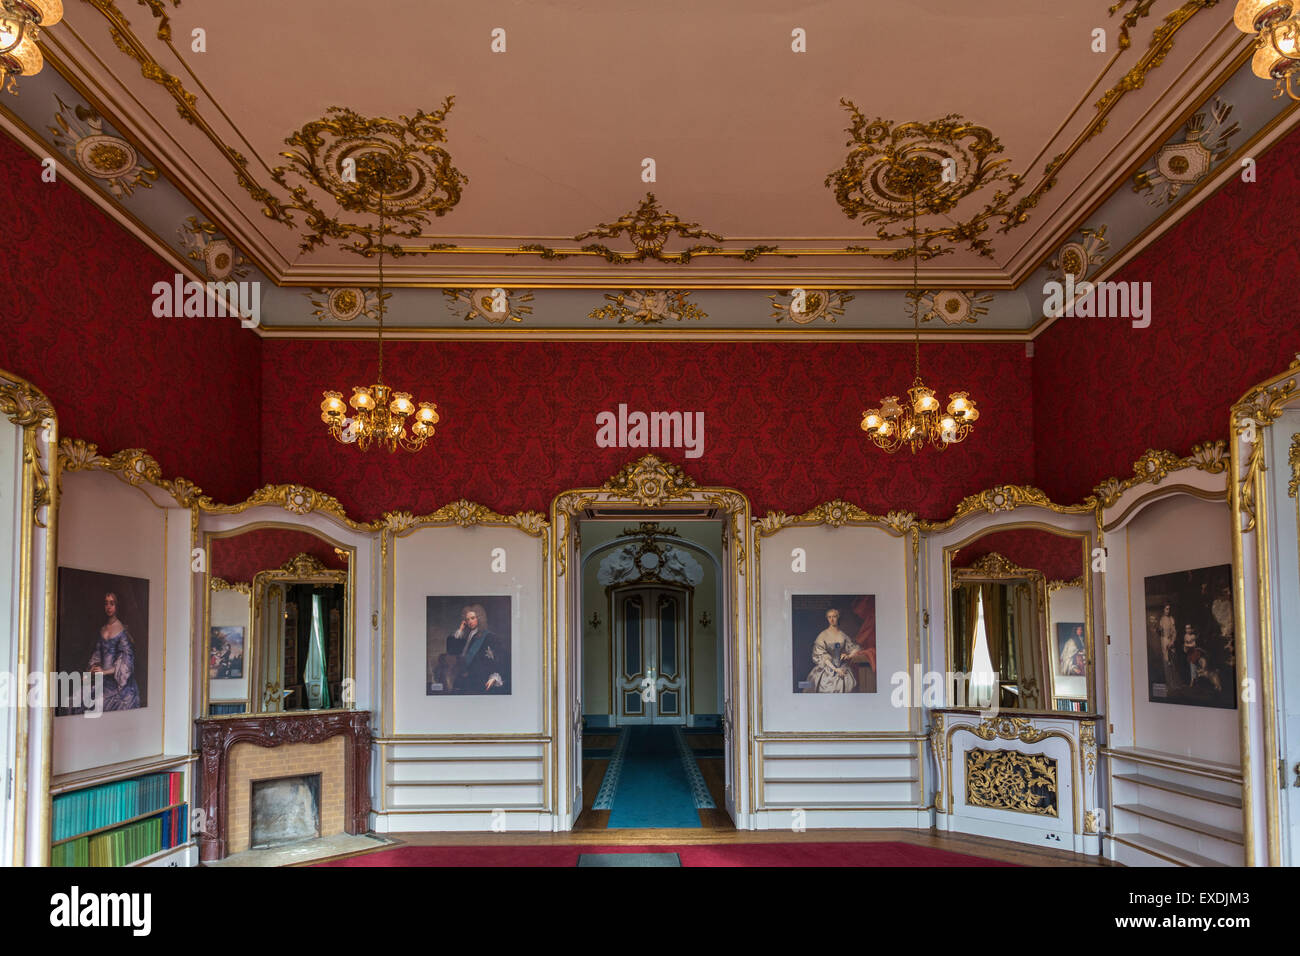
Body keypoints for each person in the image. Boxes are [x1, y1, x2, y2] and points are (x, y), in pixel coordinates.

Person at [88, 592, 141, 711]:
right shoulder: (102, 629)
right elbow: (97, 654)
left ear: (117, 606)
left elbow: (126, 663)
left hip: (118, 684)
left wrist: (105, 672)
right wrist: (94, 667)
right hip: (103, 681)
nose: (108, 607)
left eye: (112, 603)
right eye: (106, 603)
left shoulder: (122, 630)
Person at [444, 604, 509, 694]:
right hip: (465, 679)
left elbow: (501, 658)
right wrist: (460, 629)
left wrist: (494, 677)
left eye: (473, 618)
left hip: (480, 680)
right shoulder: (465, 636)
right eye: (467, 619)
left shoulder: (489, 637)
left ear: (479, 618)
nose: (470, 621)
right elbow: (451, 650)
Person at [805, 608, 856, 693]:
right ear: (827, 618)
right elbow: (821, 656)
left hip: (843, 667)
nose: (832, 620)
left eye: (834, 617)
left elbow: (854, 648)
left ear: (838, 617)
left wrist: (848, 655)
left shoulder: (843, 635)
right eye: (829, 617)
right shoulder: (822, 635)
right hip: (827, 668)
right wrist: (836, 670)